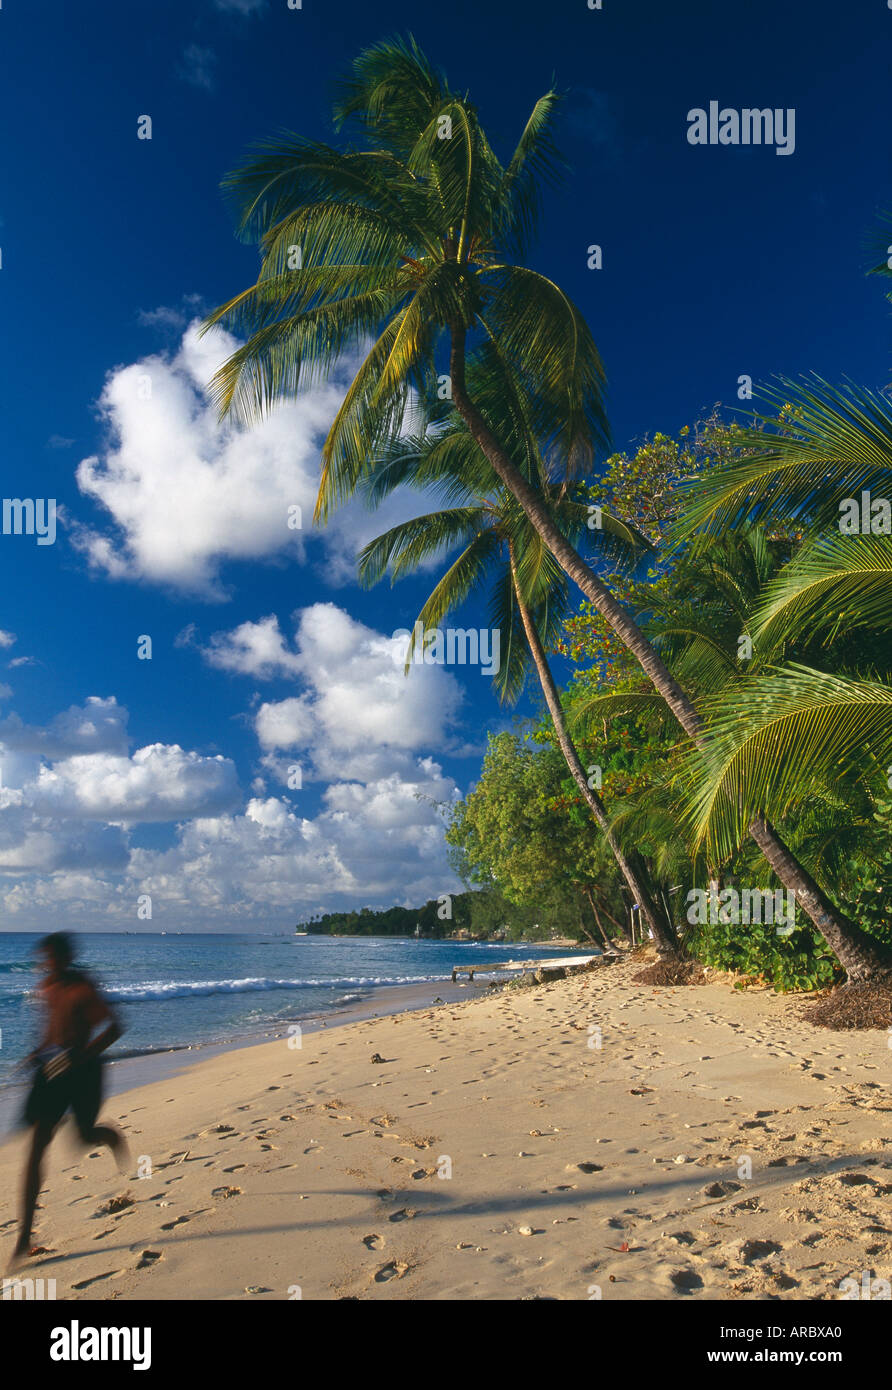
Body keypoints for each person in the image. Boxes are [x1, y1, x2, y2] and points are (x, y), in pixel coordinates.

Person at [6, 932, 128, 1272]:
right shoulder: (47, 987)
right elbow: (53, 1029)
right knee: (36, 1147)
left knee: (83, 1138)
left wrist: (80, 1057)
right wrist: (36, 1053)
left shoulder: (82, 986)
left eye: (54, 957)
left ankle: (110, 1136)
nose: (47, 963)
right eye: (45, 957)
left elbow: (116, 1026)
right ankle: (24, 1237)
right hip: (50, 1073)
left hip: (85, 1073)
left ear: (67, 958)